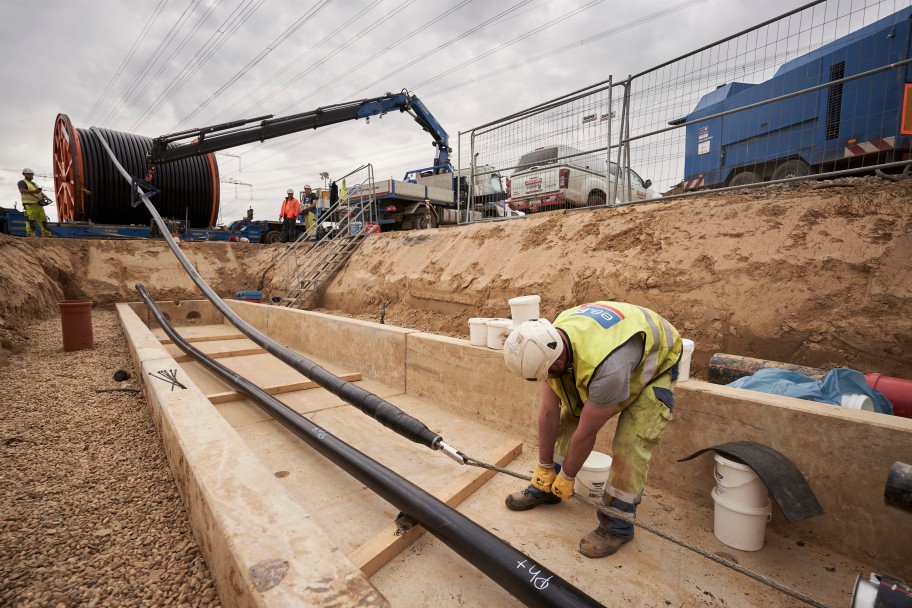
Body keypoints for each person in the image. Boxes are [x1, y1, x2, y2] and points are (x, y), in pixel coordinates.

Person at [502, 301, 682, 558]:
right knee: (568, 419)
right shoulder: (550, 342)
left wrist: (569, 475)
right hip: (605, 350)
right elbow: (548, 413)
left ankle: (617, 525)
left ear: (556, 363)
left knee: (630, 444)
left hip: (655, 360)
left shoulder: (608, 371)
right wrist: (544, 467)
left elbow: (587, 434)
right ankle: (546, 487)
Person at [18, 168, 52, 237]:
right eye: (29, 174)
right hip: (29, 205)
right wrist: (34, 191)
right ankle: (31, 234)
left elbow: (40, 192)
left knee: (43, 220)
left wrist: (46, 197)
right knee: (31, 220)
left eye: (32, 174)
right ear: (24, 175)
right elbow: (22, 191)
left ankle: (46, 235)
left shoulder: (34, 184)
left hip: (39, 204)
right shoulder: (22, 182)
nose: (31, 176)